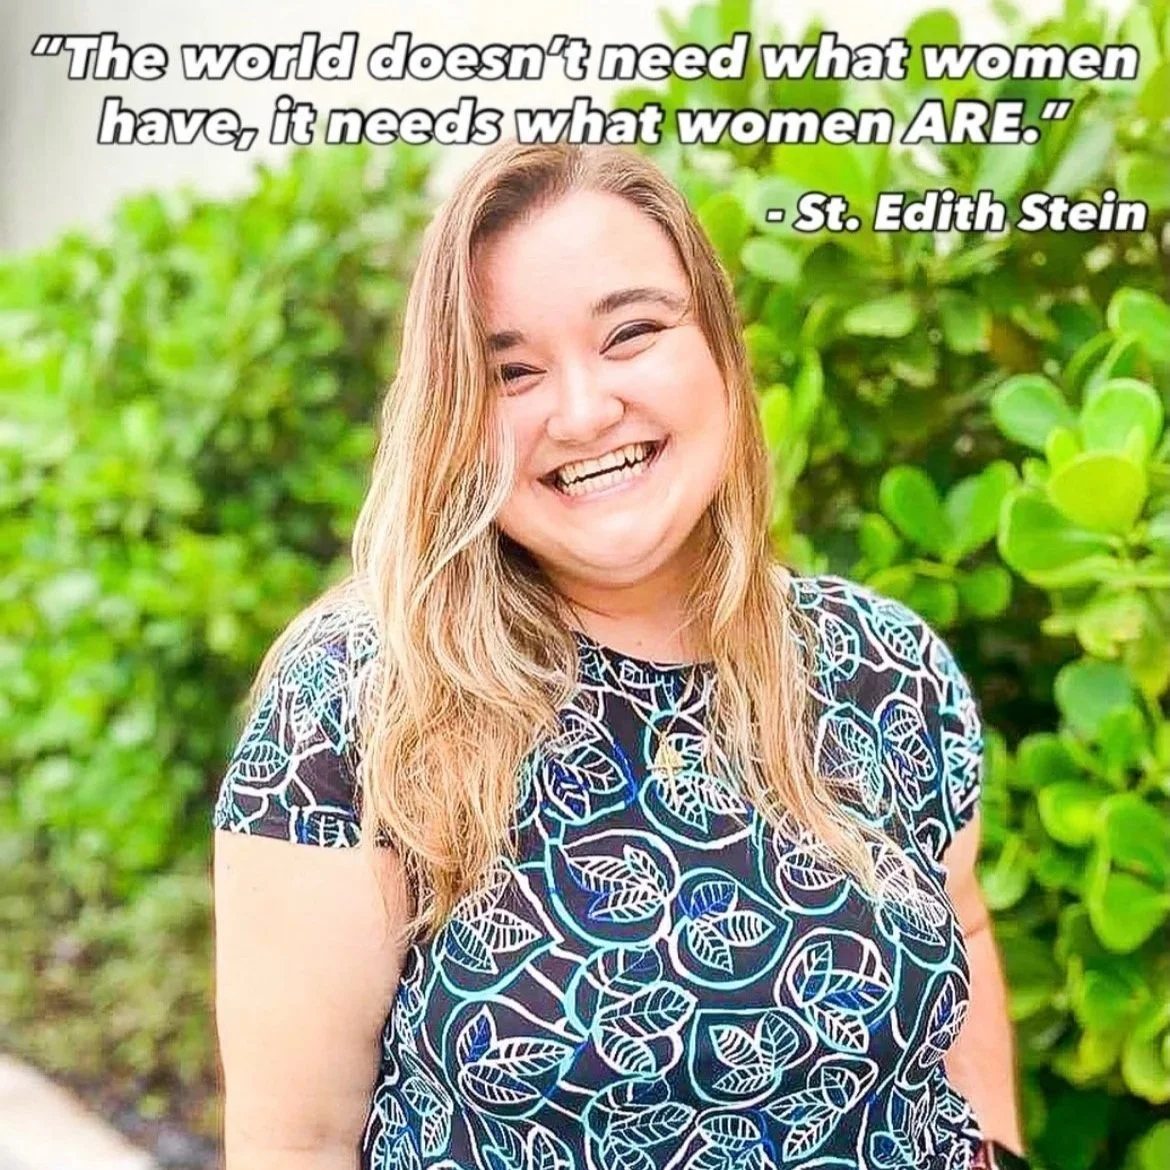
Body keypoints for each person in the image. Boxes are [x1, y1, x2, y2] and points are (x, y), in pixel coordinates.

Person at [211, 140, 1026, 1170]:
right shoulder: (361, 701)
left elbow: (963, 934)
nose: (586, 411)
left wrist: (995, 1142)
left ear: (719, 349)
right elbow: (299, 1143)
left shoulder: (887, 665)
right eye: (511, 373)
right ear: (452, 422)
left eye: (631, 333)